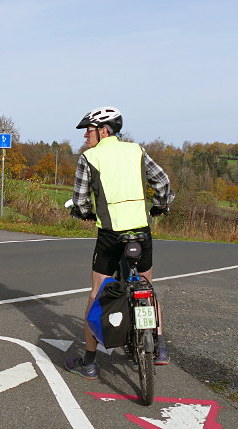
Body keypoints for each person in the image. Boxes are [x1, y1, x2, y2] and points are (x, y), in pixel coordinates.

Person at [66, 106, 175, 379]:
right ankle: (160, 346)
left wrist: (83, 213)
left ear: (104, 131)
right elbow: (162, 182)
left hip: (111, 236)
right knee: (147, 285)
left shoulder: (89, 158)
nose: (85, 137)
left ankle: (89, 363)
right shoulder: (136, 150)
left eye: (88, 131)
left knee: (96, 294)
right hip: (141, 231)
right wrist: (160, 206)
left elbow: (79, 201)